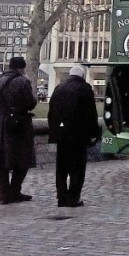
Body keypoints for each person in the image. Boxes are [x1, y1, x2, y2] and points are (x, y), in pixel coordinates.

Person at [0, 56, 38, 205]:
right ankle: (14, 190)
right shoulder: (22, 82)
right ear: (21, 68)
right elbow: (31, 103)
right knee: (23, 159)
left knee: (1, 161)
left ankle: (3, 194)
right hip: (18, 124)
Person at [48, 65, 101, 208]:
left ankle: (61, 197)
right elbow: (91, 114)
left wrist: (54, 132)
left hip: (61, 135)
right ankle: (73, 197)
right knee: (77, 168)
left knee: (62, 167)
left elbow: (51, 111)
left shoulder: (59, 88)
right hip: (78, 135)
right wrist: (94, 134)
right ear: (82, 76)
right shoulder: (85, 89)